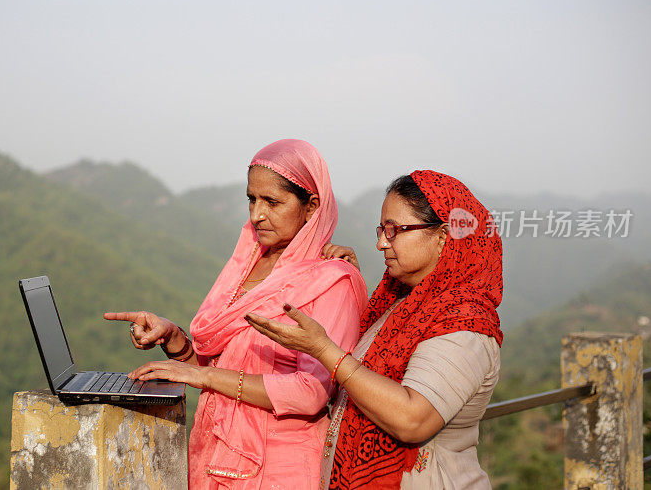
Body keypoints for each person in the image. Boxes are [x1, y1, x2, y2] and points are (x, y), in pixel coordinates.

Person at [104, 139, 368, 489]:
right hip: (216, 458)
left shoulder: (331, 279)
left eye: (272, 202)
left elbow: (311, 391)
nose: (257, 214)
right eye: (251, 199)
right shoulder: (248, 263)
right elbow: (219, 367)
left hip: (280, 472)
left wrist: (205, 378)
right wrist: (174, 339)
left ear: (312, 206)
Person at [246, 170, 503, 489]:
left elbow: (413, 419)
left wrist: (323, 350)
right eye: (382, 229)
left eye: (396, 230)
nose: (381, 242)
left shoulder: (465, 320)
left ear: (443, 237)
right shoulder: (400, 304)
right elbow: (377, 366)